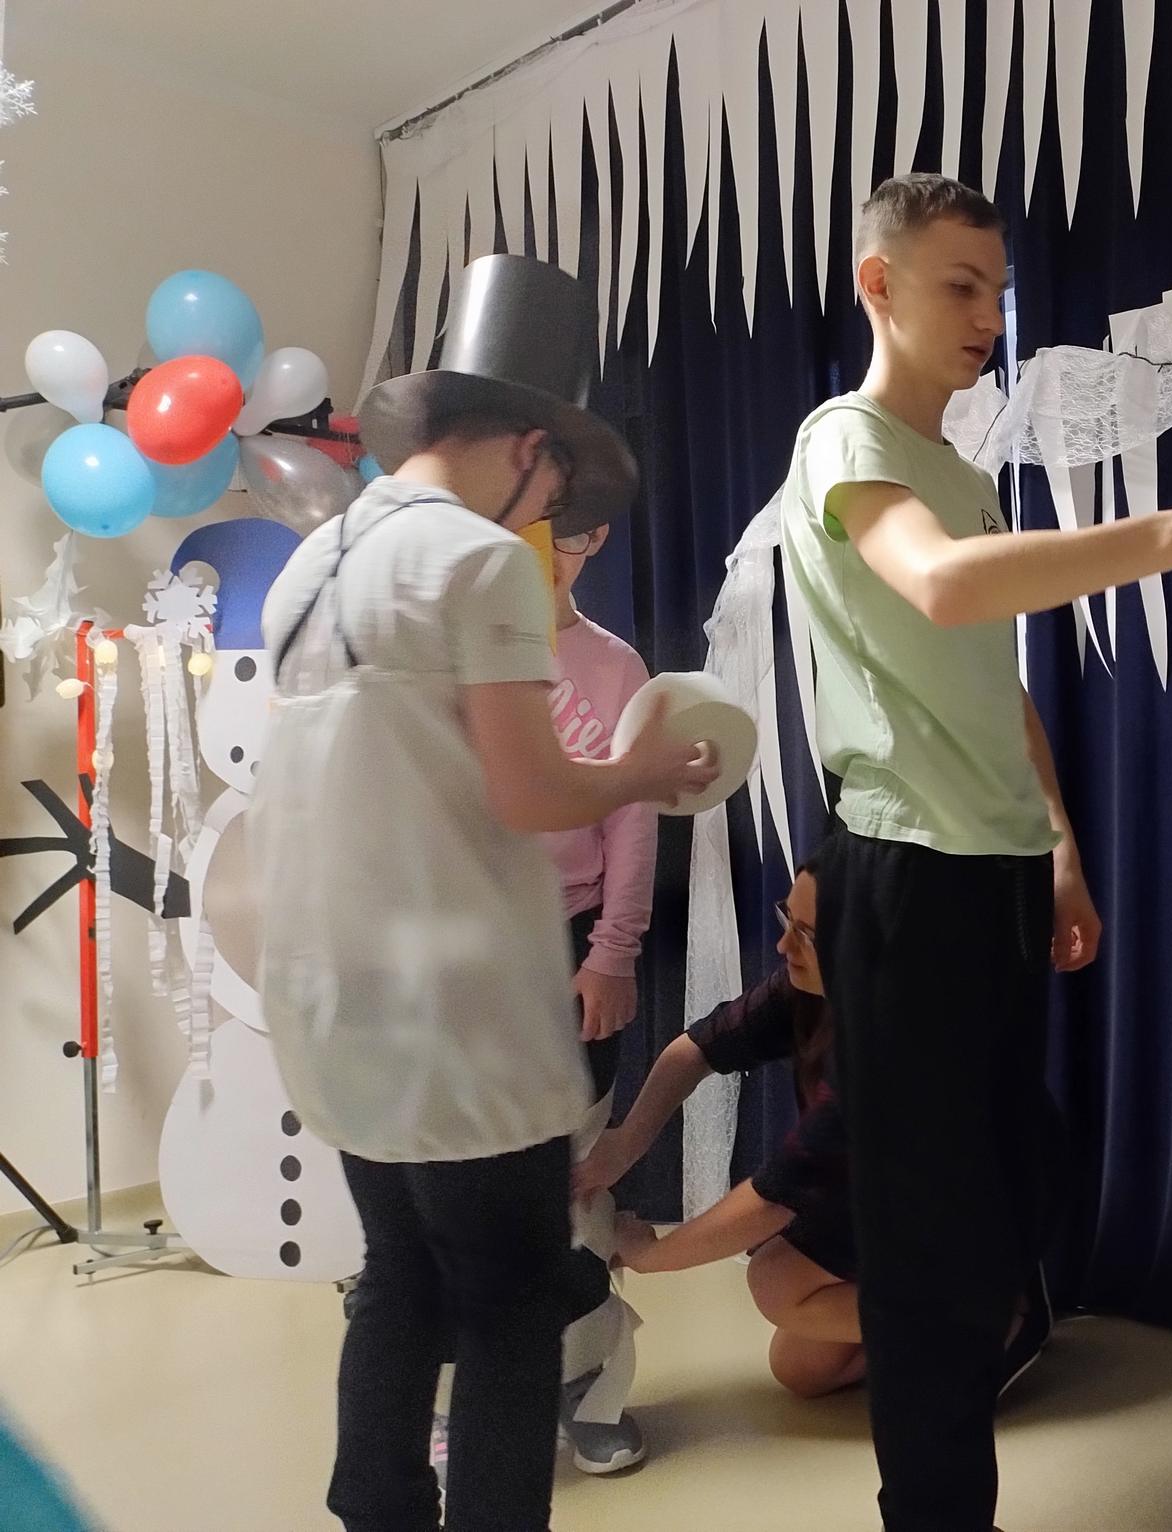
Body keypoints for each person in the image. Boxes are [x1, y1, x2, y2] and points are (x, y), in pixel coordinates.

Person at [779, 172, 1172, 1531]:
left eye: (998, 290)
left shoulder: (960, 472)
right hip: (904, 873)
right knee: (925, 1243)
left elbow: (992, 681)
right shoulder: (844, 439)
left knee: (992, 1217)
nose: (988, 314)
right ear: (878, 285)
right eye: (959, 284)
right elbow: (943, 583)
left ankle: (952, 1484)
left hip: (996, 871)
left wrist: (1060, 844)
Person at [252, 254, 719, 1532]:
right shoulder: (478, 560)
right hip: (459, 1008)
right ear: (526, 446)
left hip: (336, 998)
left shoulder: (311, 562)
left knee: (397, 1275)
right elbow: (530, 792)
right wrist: (644, 770)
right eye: (556, 484)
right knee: (511, 1302)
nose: (552, 512)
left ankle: (377, 1508)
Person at [586, 864, 866, 1400]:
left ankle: (987, 1318)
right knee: (801, 1367)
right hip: (886, 1200)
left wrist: (650, 1256)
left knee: (776, 1279)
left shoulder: (888, 1047)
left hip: (962, 1214)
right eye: (787, 919)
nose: (784, 944)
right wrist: (628, 1141)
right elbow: (697, 1049)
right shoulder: (811, 992)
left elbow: (773, 1200)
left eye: (807, 935)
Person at [541, 515, 659, 1473]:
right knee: (469, 1193)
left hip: (576, 942)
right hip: (465, 957)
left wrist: (613, 953)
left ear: (596, 538)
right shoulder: (451, 655)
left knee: (577, 1184)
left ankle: (589, 1386)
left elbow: (633, 819)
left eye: (567, 530)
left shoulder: (616, 668)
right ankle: (460, 1396)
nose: (545, 547)